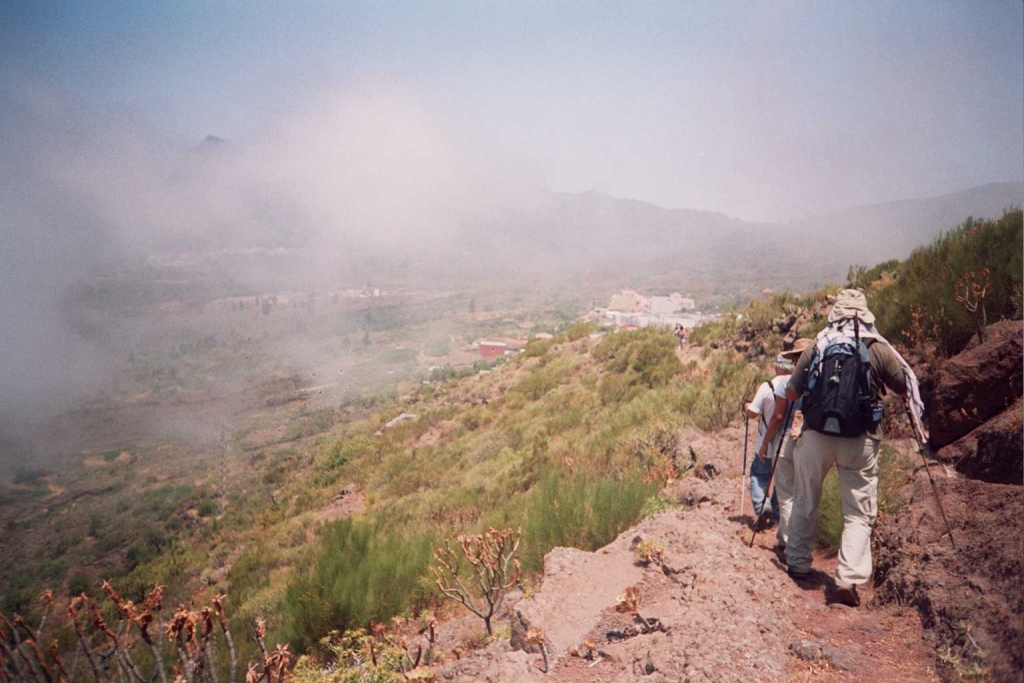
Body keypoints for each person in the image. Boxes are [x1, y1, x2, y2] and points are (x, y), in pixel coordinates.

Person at [782, 289, 922, 608]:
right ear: (865, 315)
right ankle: (847, 579)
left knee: (805, 498)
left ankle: (798, 564)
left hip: (816, 436)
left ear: (836, 314)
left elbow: (792, 392)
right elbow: (902, 387)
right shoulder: (878, 348)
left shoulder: (819, 344)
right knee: (858, 512)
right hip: (861, 439)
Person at [743, 339, 811, 527]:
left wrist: (747, 407)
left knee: (758, 474)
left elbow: (757, 413)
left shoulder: (769, 387)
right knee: (783, 482)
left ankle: (762, 505)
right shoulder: (806, 384)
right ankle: (774, 512)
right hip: (798, 442)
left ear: (775, 368)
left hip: (773, 441)